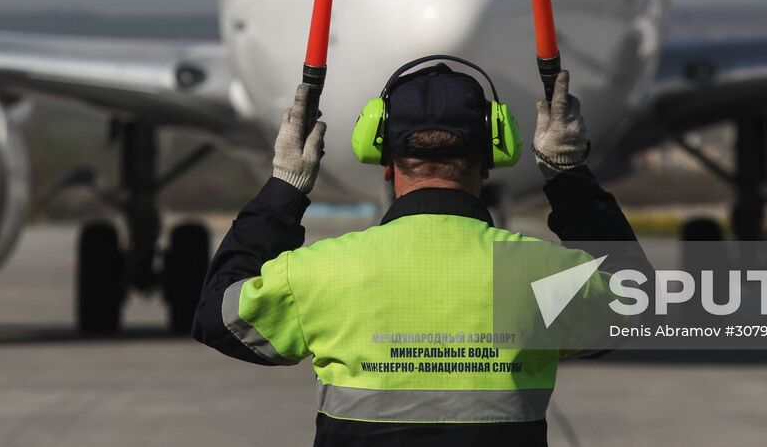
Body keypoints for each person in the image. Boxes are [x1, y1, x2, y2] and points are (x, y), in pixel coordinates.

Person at [192, 59, 639, 445]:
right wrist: (568, 175)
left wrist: (284, 187)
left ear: (384, 162)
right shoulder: (548, 277)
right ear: (492, 156)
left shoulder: (319, 271)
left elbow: (218, 315)